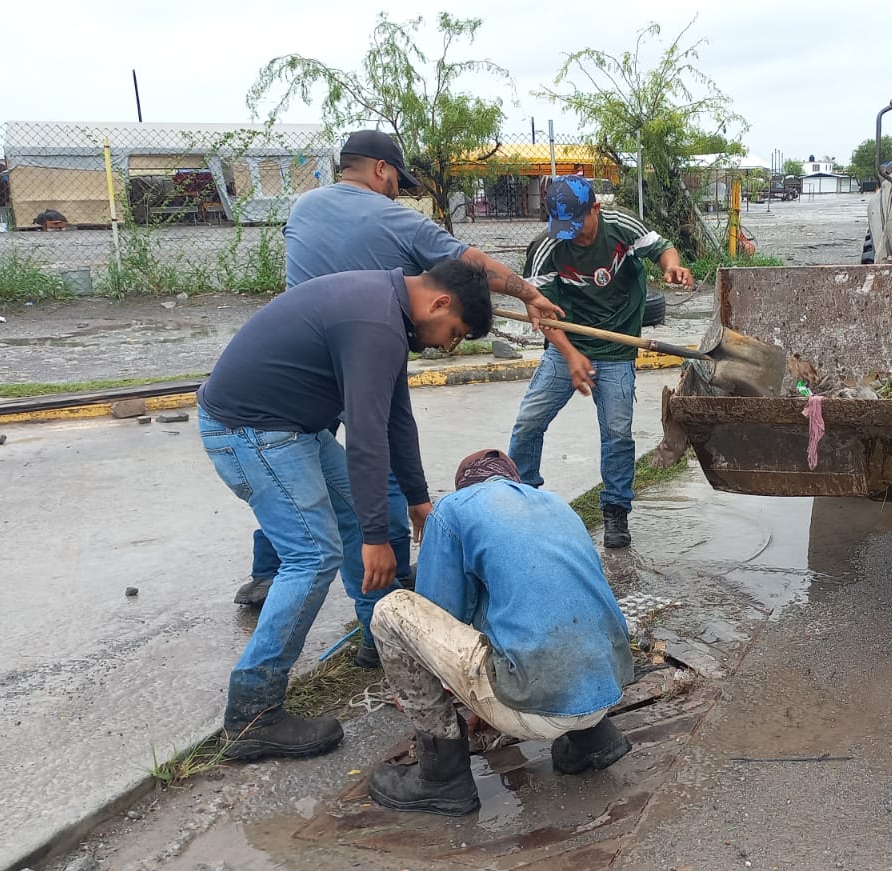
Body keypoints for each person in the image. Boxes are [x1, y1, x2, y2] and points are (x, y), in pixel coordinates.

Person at [233, 129, 564, 648]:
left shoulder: (302, 208)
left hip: (303, 375)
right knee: (370, 477)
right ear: (382, 170)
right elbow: (468, 265)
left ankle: (272, 568)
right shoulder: (395, 219)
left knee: (304, 482)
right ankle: (383, 605)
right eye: (396, 181)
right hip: (363, 348)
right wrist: (529, 293)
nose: (395, 191)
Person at [196, 259, 492, 761]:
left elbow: (397, 418)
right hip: (251, 431)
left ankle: (382, 640)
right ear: (440, 303)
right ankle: (252, 715)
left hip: (294, 427)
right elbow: (367, 438)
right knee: (313, 557)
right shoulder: (376, 323)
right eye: (455, 332)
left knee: (362, 513)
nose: (449, 344)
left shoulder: (390, 313)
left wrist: (418, 500)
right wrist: (377, 538)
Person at [366, 449, 636, 816]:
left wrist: (448, 689)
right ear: (513, 480)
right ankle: (592, 736)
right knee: (542, 598)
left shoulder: (452, 509)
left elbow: (436, 616)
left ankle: (442, 776)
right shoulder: (555, 504)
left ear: (465, 486)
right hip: (607, 691)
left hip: (535, 708)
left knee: (392, 610)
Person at [508, 175, 693, 550]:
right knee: (529, 422)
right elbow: (541, 314)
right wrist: (572, 354)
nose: (571, 235)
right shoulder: (547, 246)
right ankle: (522, 500)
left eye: (577, 225)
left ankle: (615, 510)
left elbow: (663, 249)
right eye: (564, 227)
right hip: (566, 344)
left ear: (596, 208)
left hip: (616, 348)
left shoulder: (621, 228)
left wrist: (672, 266)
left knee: (617, 433)